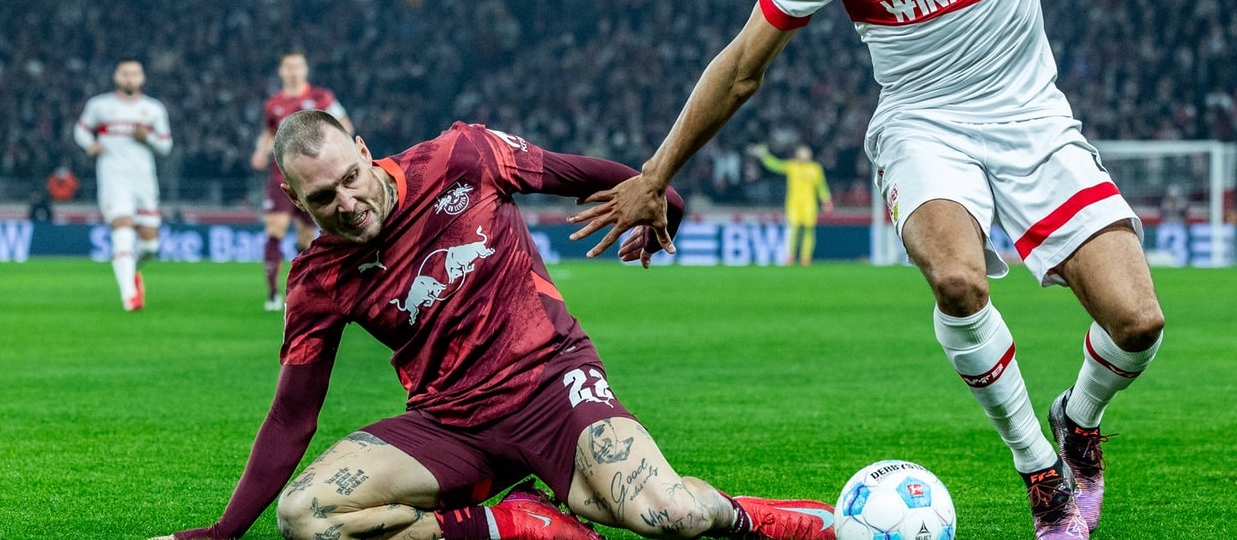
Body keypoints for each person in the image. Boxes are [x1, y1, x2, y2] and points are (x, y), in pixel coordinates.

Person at [568, 0, 1235, 540]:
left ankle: (1078, 420)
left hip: (1032, 116)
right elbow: (743, 66)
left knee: (1139, 322)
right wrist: (655, 172)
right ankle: (1041, 475)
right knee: (956, 279)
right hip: (925, 123)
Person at [150, 110, 835, 540]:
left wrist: (663, 204)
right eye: (323, 198)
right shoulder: (319, 280)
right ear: (295, 201)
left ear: (362, 149)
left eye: (351, 177)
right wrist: (222, 533)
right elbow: (292, 416)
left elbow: (585, 174)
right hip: (449, 426)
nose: (349, 201)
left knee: (670, 516)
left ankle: (770, 520)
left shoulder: (464, 157)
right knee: (307, 518)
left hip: (552, 386)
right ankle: (517, 524)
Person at [249, 49, 353, 311]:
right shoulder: (274, 104)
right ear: (282, 71)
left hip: (314, 178)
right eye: (289, 67)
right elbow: (269, 133)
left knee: (307, 240)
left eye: (298, 66)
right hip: (280, 176)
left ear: (305, 69)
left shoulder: (322, 97)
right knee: (275, 229)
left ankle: (303, 291)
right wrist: (260, 151)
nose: (293, 71)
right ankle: (273, 294)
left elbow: (345, 126)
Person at [73, 58, 173, 311]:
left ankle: (132, 273)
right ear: (117, 77)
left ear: (142, 78)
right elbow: (81, 130)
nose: (130, 78)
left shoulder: (153, 109)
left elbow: (165, 145)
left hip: (144, 180)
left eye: (135, 73)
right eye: (125, 73)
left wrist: (147, 137)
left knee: (150, 246)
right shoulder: (100, 105)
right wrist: (90, 145)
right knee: (122, 229)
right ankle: (129, 296)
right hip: (113, 177)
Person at [750, 144, 833, 265]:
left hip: (809, 204)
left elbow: (821, 186)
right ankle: (791, 256)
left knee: (808, 230)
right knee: (793, 230)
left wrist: (826, 200)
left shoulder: (815, 168)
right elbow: (776, 165)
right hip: (793, 204)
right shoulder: (792, 166)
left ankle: (806, 258)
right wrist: (764, 156)